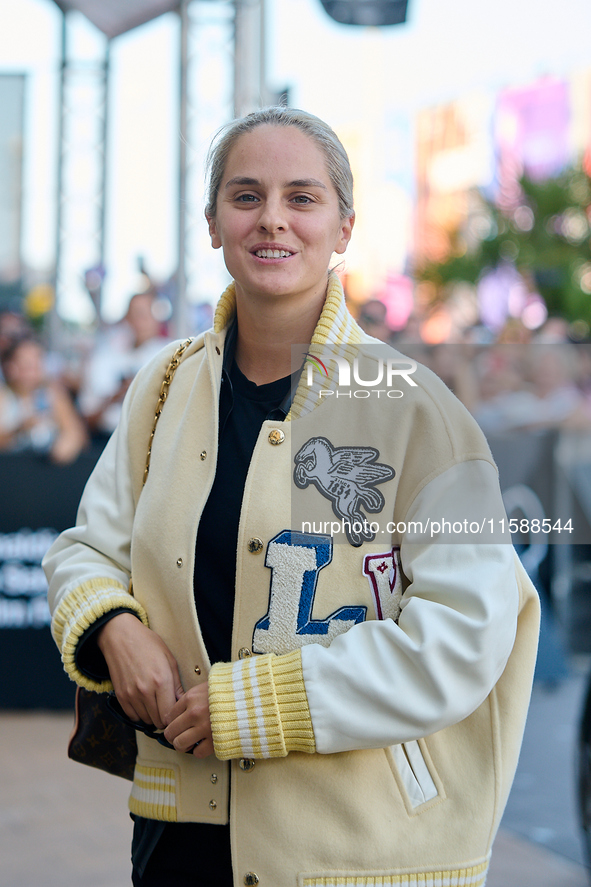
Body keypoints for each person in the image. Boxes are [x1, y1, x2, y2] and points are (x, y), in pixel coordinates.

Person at [44, 107, 539, 887]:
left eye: (301, 197)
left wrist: (252, 704)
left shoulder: (421, 410)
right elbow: (86, 548)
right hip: (179, 835)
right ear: (212, 223)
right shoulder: (164, 385)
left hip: (357, 850)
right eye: (245, 195)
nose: (271, 218)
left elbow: (464, 635)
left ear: (344, 226)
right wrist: (112, 626)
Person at [77, 290, 170, 441]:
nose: (141, 321)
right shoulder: (104, 356)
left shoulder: (171, 355)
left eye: (147, 314)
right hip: (105, 439)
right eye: (137, 314)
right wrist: (116, 396)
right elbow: (88, 417)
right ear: (127, 318)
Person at [0, 335, 88, 463]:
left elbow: (76, 434)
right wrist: (19, 430)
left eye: (37, 362)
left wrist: (66, 445)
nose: (33, 370)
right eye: (27, 364)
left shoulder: (53, 393)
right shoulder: (4, 395)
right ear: (10, 367)